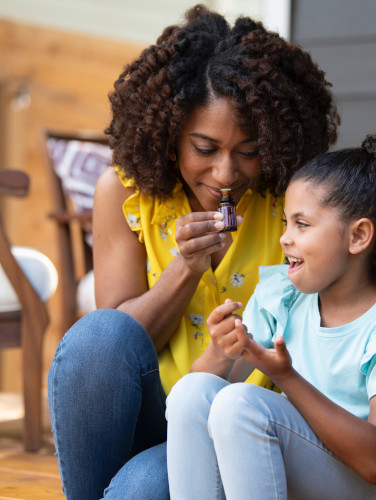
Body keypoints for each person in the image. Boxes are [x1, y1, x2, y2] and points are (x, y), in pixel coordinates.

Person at [47, 4, 339, 500]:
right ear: (169, 136)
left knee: (141, 489)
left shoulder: (295, 199)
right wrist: (184, 268)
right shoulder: (124, 193)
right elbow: (116, 346)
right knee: (97, 334)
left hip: (237, 426)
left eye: (249, 151)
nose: (226, 174)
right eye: (205, 149)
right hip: (147, 412)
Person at [166, 134, 376, 500]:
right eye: (285, 223)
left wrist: (286, 377)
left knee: (241, 404)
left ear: (358, 236)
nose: (284, 238)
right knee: (191, 391)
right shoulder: (282, 296)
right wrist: (222, 349)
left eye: (302, 224)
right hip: (318, 469)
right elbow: (191, 408)